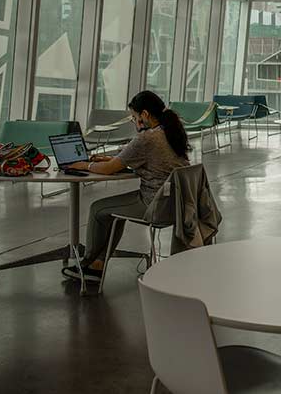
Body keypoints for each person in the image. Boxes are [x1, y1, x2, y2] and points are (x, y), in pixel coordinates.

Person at [62, 90, 191, 283]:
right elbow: (148, 159)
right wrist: (115, 159)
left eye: (134, 117)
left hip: (155, 205)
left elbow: (108, 169)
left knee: (98, 209)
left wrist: (83, 165)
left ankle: (87, 264)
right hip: (178, 205)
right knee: (114, 214)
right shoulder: (170, 133)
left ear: (145, 115)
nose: (134, 121)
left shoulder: (147, 138)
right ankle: (97, 264)